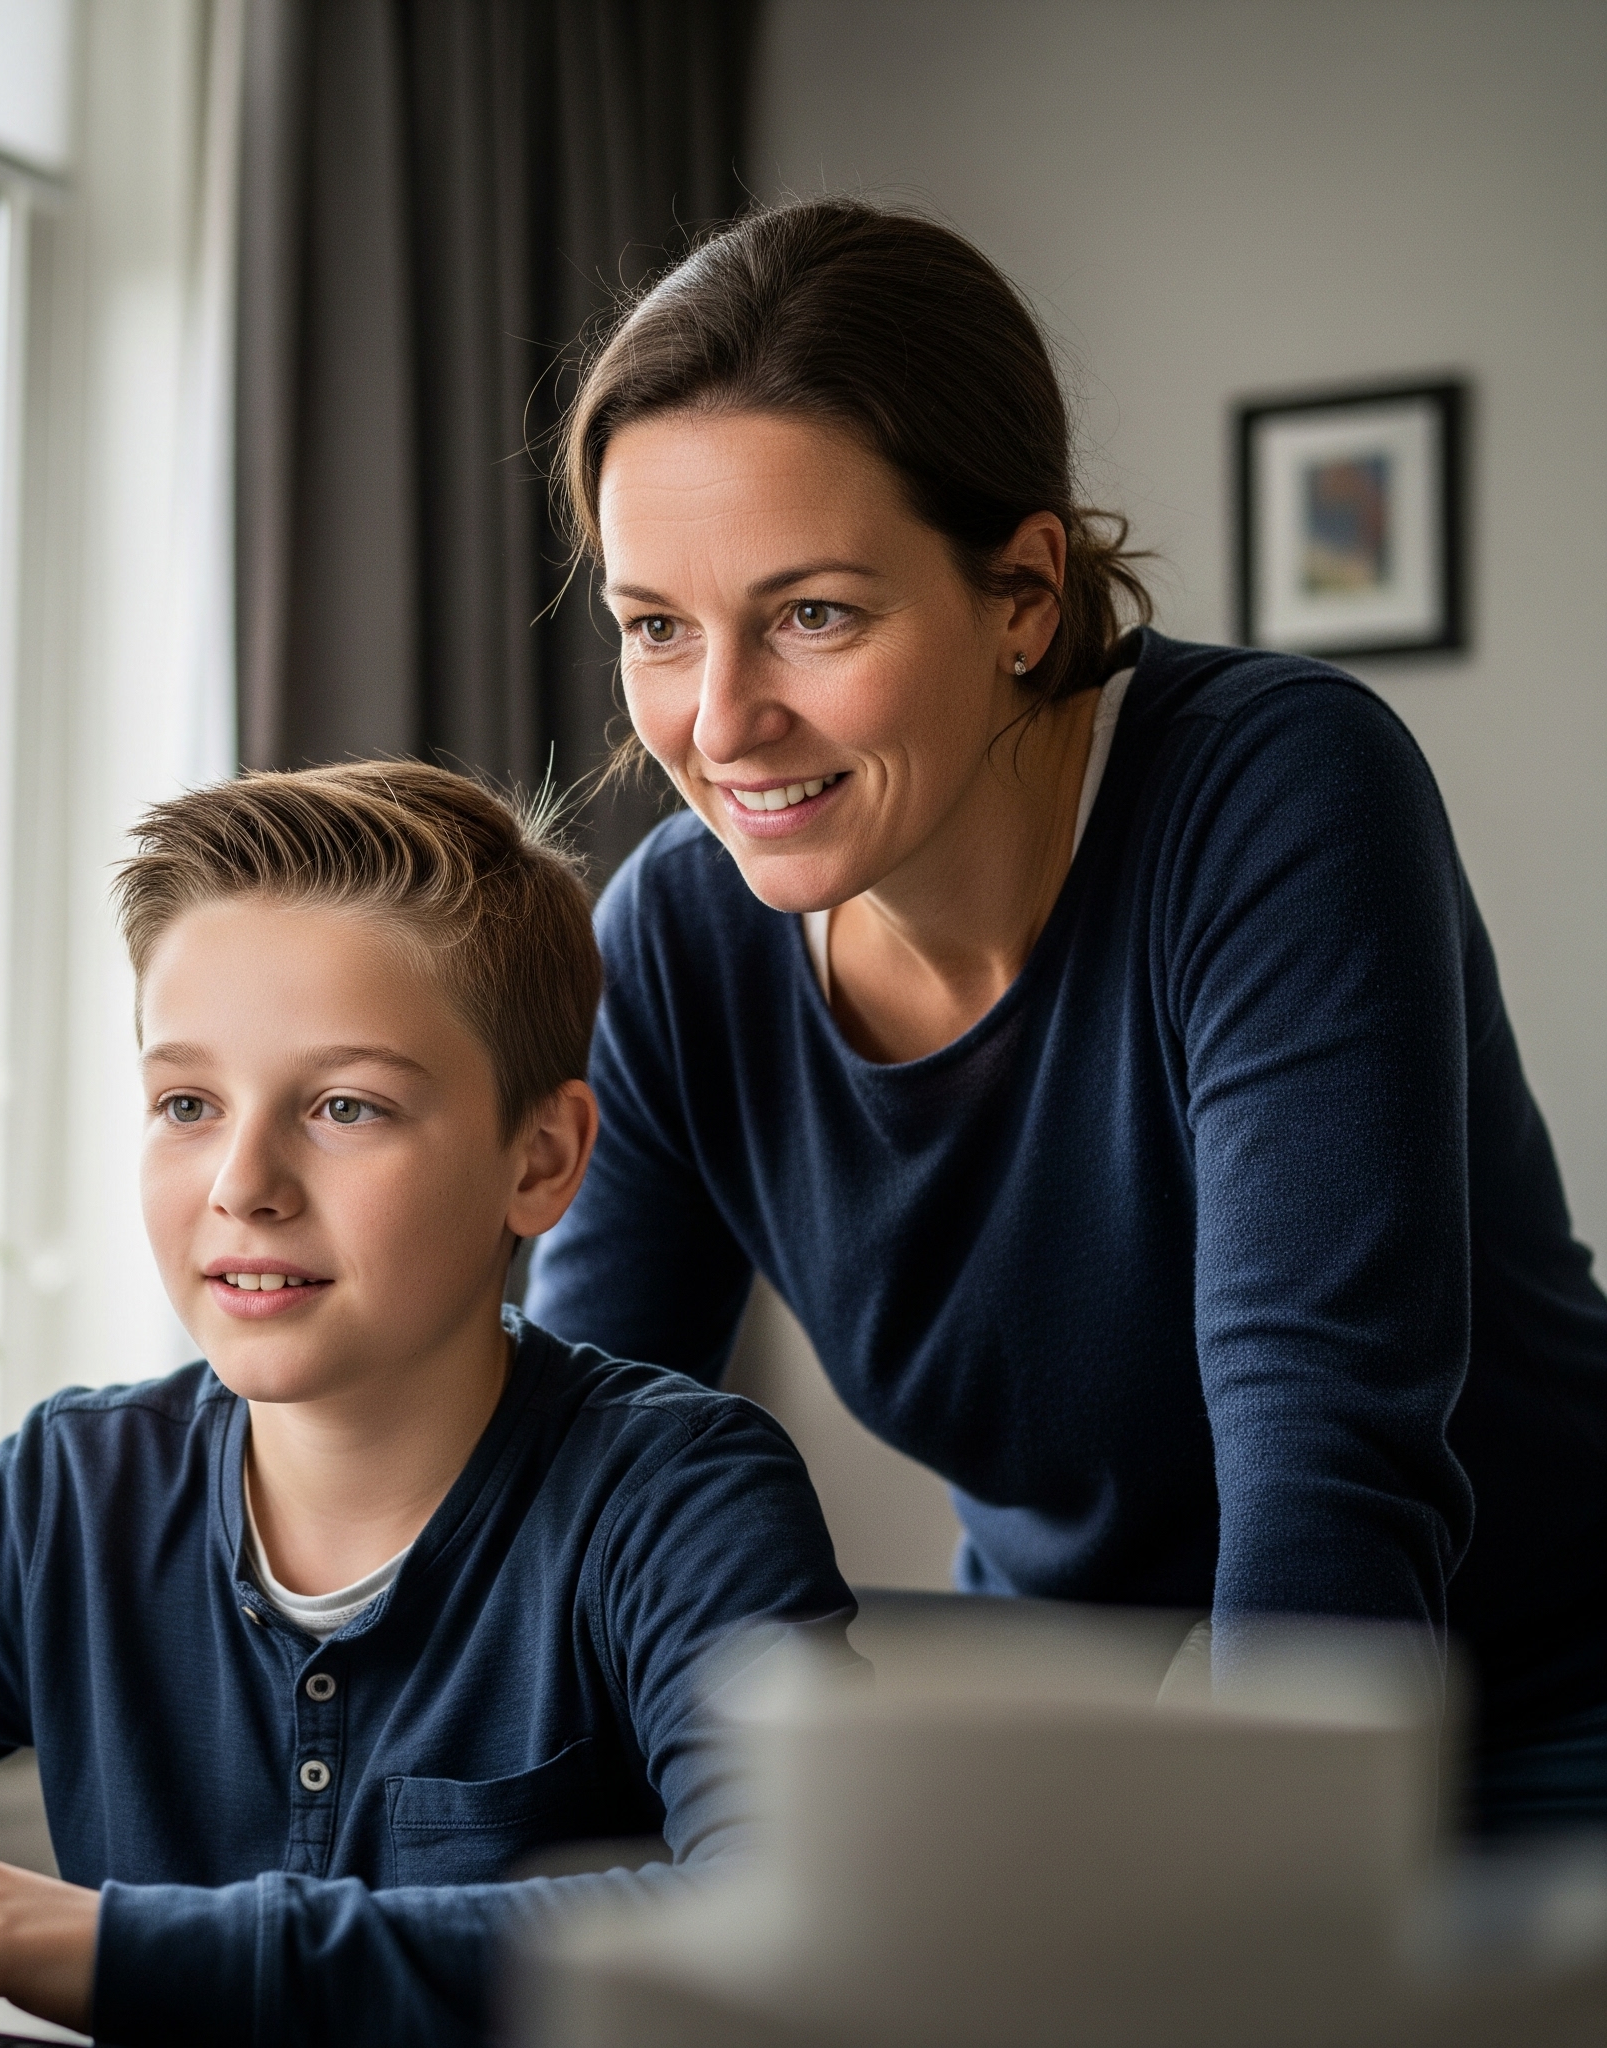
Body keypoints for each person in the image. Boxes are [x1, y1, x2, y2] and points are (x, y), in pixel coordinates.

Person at [522, 197, 1607, 1835]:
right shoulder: (676, 942)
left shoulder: (1274, 794)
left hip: (1520, 1700)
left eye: (813, 613)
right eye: (656, 627)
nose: (720, 719)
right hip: (1084, 1710)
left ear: (1024, 595)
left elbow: (1327, 1473)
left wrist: (1238, 1905)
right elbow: (581, 1494)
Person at [0, 764, 853, 2042]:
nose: (244, 1182)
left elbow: (793, 1921)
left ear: (543, 1158)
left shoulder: (681, 1497)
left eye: (345, 1106)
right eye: (187, 1103)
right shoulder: (65, 1500)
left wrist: (131, 1950)